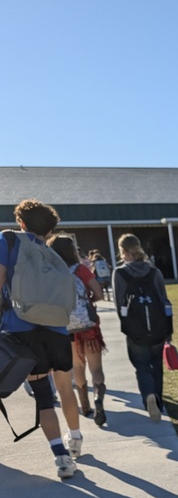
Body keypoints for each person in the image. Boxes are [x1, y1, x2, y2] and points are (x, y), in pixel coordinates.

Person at [0, 199, 81, 478]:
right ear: (49, 229)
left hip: (22, 329)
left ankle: (61, 458)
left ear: (21, 222)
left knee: (44, 397)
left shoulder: (8, 241)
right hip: (57, 330)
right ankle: (76, 437)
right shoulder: (51, 252)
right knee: (65, 387)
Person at [48, 234, 108, 426]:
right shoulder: (81, 270)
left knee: (78, 367)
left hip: (66, 328)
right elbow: (98, 294)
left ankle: (85, 406)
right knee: (96, 368)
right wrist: (88, 301)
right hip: (88, 326)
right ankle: (99, 398)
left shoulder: (51, 272)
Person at [112, 233, 172, 422]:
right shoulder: (154, 272)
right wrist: (169, 329)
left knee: (141, 365)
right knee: (156, 365)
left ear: (122, 251)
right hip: (157, 326)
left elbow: (118, 303)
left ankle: (148, 397)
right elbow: (164, 299)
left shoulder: (120, 273)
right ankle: (159, 401)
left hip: (135, 328)